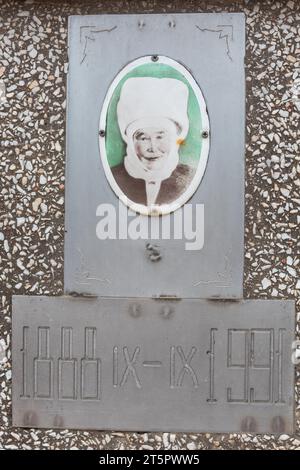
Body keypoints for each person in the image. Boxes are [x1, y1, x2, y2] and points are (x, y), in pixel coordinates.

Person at [111, 77, 196, 208]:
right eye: (143, 138)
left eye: (160, 137)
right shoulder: (113, 179)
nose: (153, 148)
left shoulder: (190, 179)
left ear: (175, 139)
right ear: (130, 140)